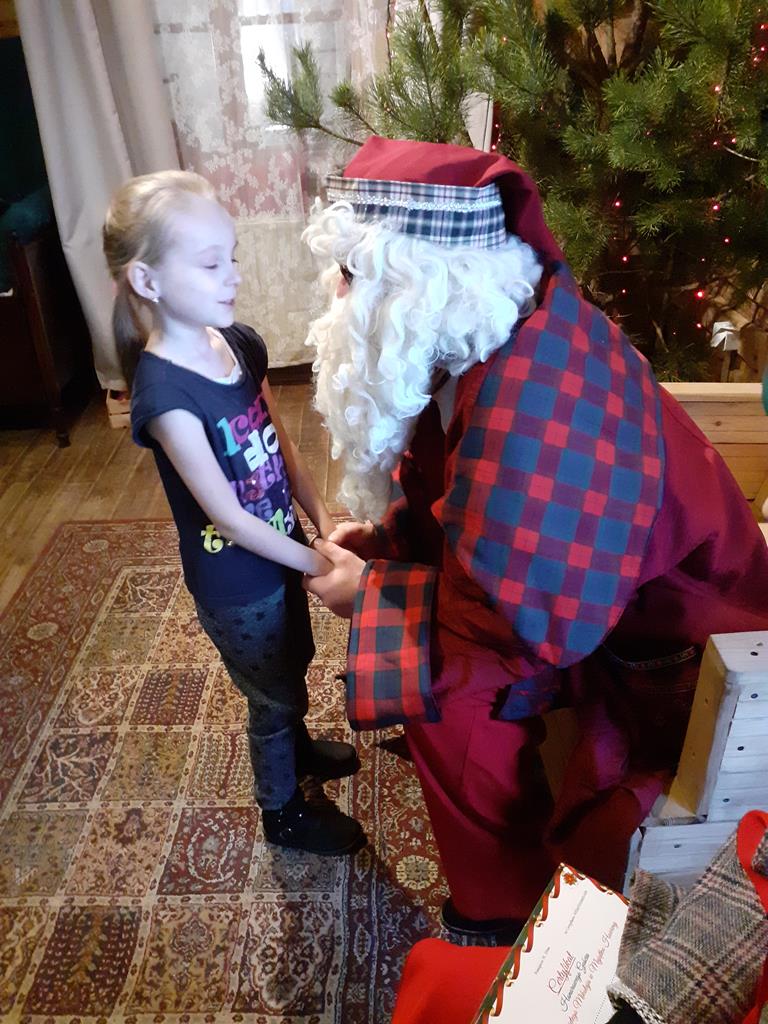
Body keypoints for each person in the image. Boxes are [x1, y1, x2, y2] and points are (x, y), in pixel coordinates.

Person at [301, 137, 768, 934]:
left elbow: (507, 633)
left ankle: (500, 916)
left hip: (680, 661)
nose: (334, 296)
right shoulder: (500, 335)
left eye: (352, 275)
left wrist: (370, 593)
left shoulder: (535, 413)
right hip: (594, 607)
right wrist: (389, 540)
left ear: (424, 290)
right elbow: (459, 496)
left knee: (445, 698)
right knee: (421, 650)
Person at [102, 169, 364, 856]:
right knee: (270, 698)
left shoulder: (238, 343)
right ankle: (282, 812)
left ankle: (300, 750)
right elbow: (229, 518)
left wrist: (322, 521)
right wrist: (320, 563)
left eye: (233, 257)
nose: (233, 276)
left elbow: (281, 444)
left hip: (280, 552)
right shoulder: (166, 398)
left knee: (292, 661)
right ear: (148, 281)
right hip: (236, 584)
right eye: (210, 263)